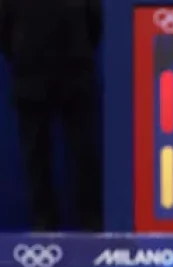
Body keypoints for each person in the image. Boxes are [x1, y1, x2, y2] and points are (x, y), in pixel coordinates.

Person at [0, 0, 103, 231]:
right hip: (33, 74)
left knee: (83, 153)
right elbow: (4, 29)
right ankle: (45, 221)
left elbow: (95, 23)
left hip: (73, 73)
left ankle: (89, 221)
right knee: (37, 155)